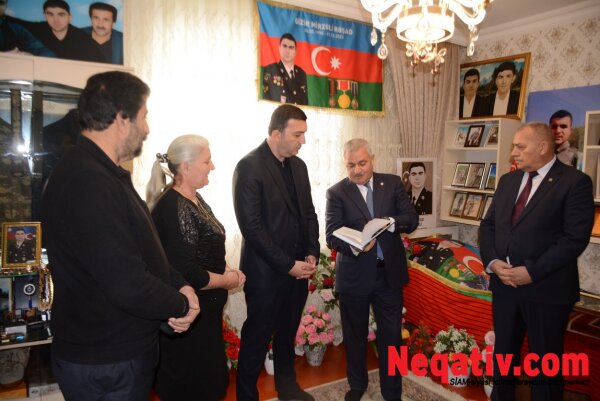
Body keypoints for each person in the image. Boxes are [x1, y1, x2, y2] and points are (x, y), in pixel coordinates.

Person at [41, 71, 200, 401]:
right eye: (143, 116)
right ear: (122, 120)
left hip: (116, 353)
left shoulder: (103, 172)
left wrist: (179, 282)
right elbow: (126, 282)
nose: (147, 128)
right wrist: (182, 303)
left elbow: (141, 249)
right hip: (107, 360)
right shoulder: (88, 181)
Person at [479, 122, 594, 401]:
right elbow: (488, 226)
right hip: (505, 286)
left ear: (542, 147)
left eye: (520, 147)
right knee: (504, 359)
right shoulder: (508, 181)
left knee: (545, 366)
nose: (513, 153)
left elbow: (574, 238)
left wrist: (532, 271)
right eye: (513, 147)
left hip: (547, 290)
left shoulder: (575, 182)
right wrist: (493, 262)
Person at [146, 135, 246, 401]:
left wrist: (228, 269)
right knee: (194, 387)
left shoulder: (194, 199)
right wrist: (228, 280)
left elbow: (209, 247)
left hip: (205, 318)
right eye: (206, 161)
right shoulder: (174, 206)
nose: (212, 166)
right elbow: (189, 272)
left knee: (211, 383)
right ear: (186, 167)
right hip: (190, 317)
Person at [232, 104, 319, 401]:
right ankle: (246, 396)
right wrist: (287, 265)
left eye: (304, 134)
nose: (303, 140)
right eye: (297, 134)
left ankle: (288, 387)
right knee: (256, 338)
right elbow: (252, 228)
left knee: (288, 332)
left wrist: (312, 252)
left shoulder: (299, 166)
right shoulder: (249, 166)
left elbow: (309, 213)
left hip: (298, 270)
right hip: (265, 274)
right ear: (276, 133)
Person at [325, 138, 418, 401]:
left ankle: (393, 391)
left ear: (372, 159)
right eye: (350, 165)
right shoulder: (336, 193)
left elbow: (411, 219)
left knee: (392, 337)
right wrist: (355, 246)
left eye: (362, 163)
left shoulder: (392, 183)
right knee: (354, 334)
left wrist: (389, 222)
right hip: (354, 275)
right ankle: (357, 385)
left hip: (388, 274)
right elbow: (331, 235)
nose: (357, 170)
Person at [19, 0, 105, 63]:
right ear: (45, 16)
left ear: (70, 17)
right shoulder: (38, 29)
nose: (56, 20)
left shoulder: (83, 39)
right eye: (50, 15)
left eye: (61, 15)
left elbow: (101, 63)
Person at [262, 33, 308, 105]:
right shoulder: (271, 70)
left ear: (295, 51)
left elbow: (304, 102)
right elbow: (266, 100)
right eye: (285, 46)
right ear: (279, 48)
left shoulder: (301, 73)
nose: (287, 51)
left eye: (291, 47)